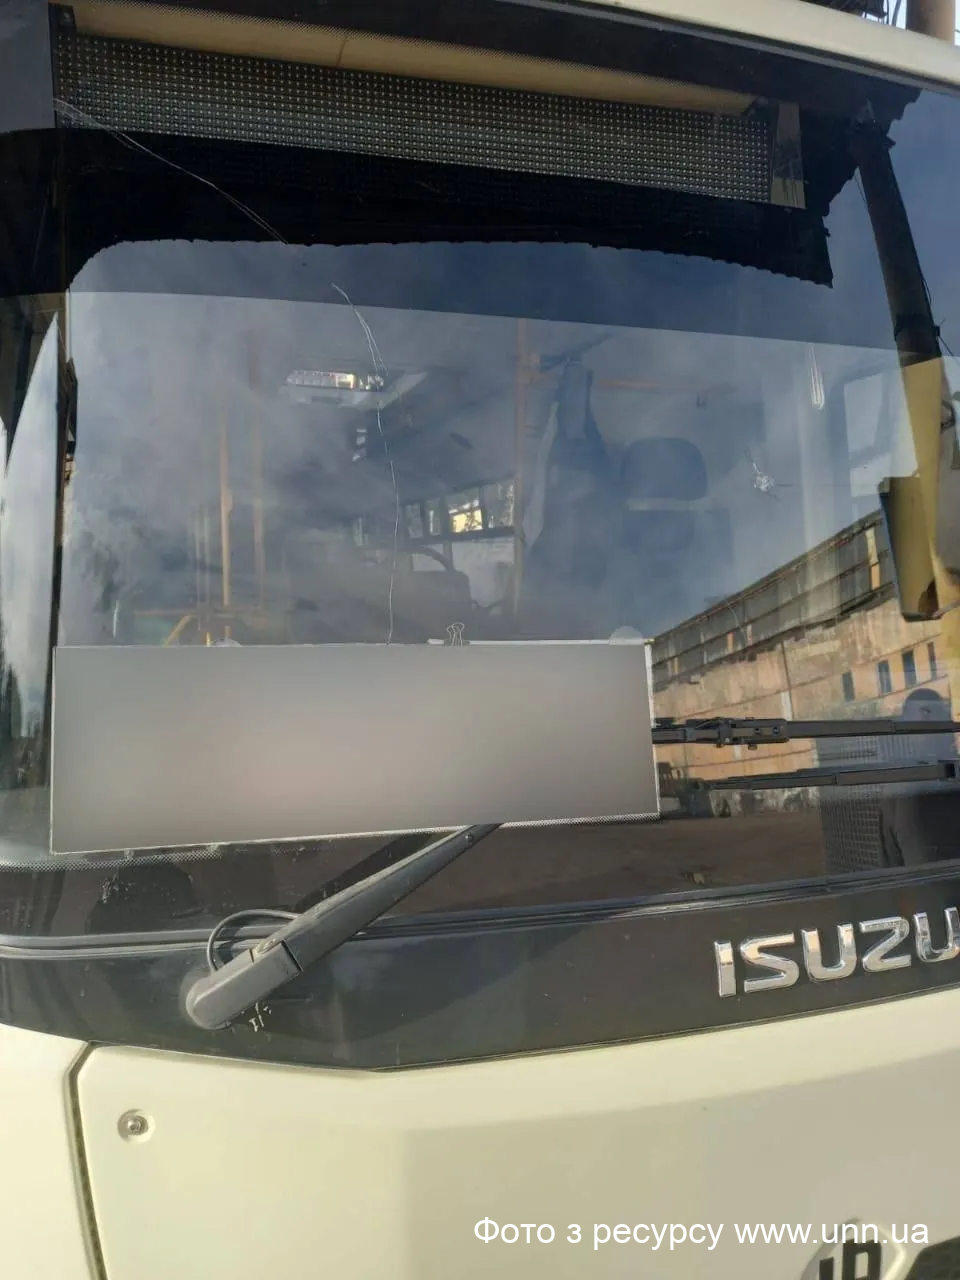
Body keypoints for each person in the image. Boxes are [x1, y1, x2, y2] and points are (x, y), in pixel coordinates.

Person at [878, 686, 960, 867]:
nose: (927, 724)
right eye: (921, 717)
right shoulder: (896, 788)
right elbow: (890, 863)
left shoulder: (897, 787)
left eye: (932, 715)